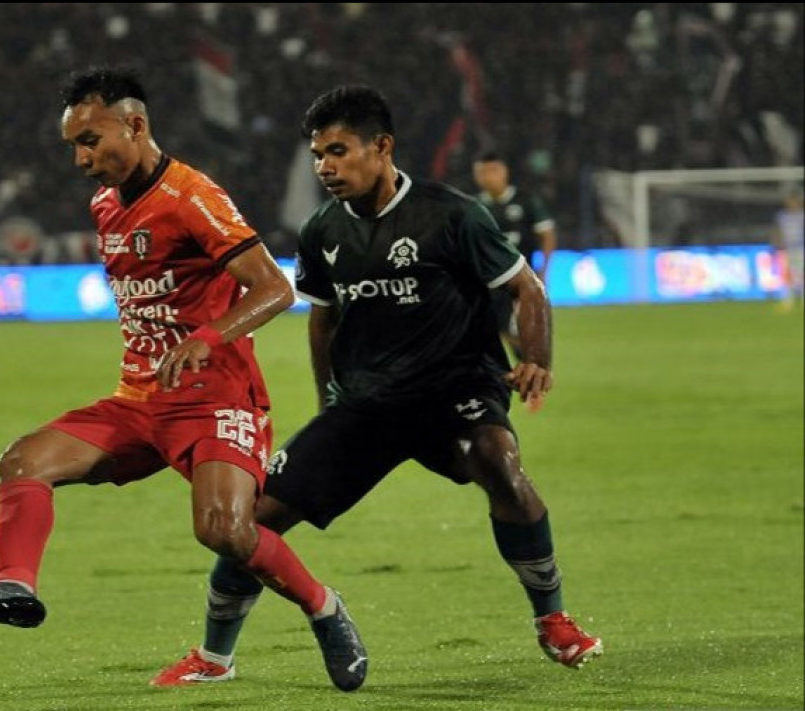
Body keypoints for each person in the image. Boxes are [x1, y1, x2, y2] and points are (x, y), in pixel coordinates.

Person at [0, 68, 369, 692]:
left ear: (135, 125)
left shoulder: (192, 196)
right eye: (73, 146)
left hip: (214, 397)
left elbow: (273, 288)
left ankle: (324, 607)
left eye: (90, 140)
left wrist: (206, 337)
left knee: (224, 531)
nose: (81, 159)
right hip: (139, 400)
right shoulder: (106, 204)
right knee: (23, 462)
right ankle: (15, 587)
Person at [154, 85, 602, 687]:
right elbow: (323, 318)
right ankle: (213, 658)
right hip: (367, 404)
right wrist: (325, 405)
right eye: (318, 155)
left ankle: (554, 621)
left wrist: (538, 359)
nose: (325, 167)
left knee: (498, 461)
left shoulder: (454, 214)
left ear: (382, 147)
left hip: (455, 390)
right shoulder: (320, 231)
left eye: (337, 151)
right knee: (251, 519)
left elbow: (528, 288)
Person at [472, 151, 557, 360]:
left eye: (492, 171)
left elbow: (546, 235)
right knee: (495, 332)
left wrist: (543, 272)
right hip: (486, 284)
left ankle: (533, 371)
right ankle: (526, 369)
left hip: (519, 283)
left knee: (519, 331)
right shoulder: (472, 206)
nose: (487, 176)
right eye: (482, 172)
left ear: (504, 173)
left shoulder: (526, 201)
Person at [771, 189, 804, 312]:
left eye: (794, 201)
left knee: (801, 274)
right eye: (790, 201)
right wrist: (776, 242)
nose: (792, 204)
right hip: (788, 248)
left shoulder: (802, 215)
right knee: (787, 274)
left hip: (801, 248)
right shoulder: (782, 216)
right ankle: (787, 301)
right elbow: (777, 230)